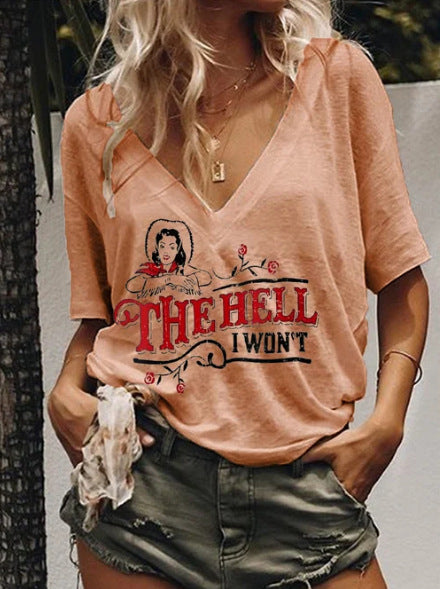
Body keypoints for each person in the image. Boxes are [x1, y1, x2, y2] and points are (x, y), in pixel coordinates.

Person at [47, 1, 431, 588]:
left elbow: (401, 277)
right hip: (145, 486)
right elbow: (103, 315)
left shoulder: (336, 80)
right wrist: (64, 393)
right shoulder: (95, 124)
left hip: (304, 477)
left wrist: (388, 423)